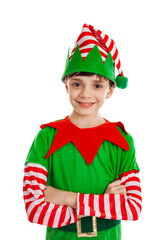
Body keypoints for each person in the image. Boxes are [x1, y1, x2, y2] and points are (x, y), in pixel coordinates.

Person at [23, 23, 142, 240]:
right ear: (66, 85)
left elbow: (132, 208)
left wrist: (67, 198)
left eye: (97, 86)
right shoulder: (46, 137)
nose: (86, 94)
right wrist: (105, 204)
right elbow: (34, 208)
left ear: (110, 90)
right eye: (77, 84)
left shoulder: (122, 140)